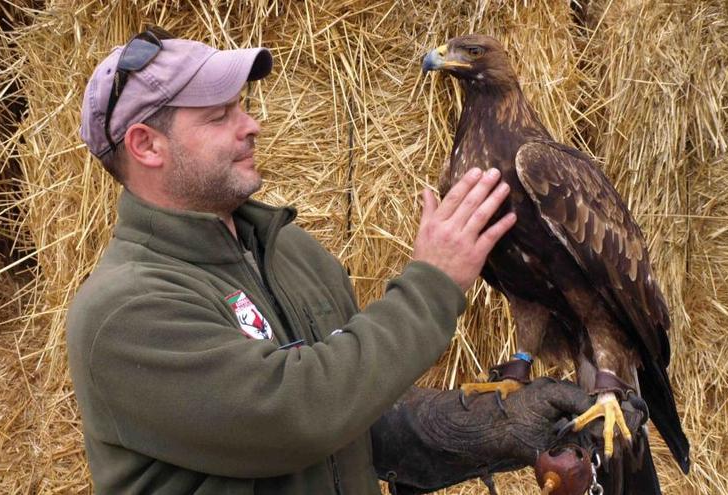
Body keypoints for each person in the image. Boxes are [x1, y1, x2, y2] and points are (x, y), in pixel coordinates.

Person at [68, 27, 638, 494]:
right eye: (219, 116)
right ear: (146, 146)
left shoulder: (292, 254)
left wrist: (481, 428)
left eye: (242, 107)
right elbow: (293, 416)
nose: (252, 125)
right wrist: (432, 284)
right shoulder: (126, 311)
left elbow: (354, 413)